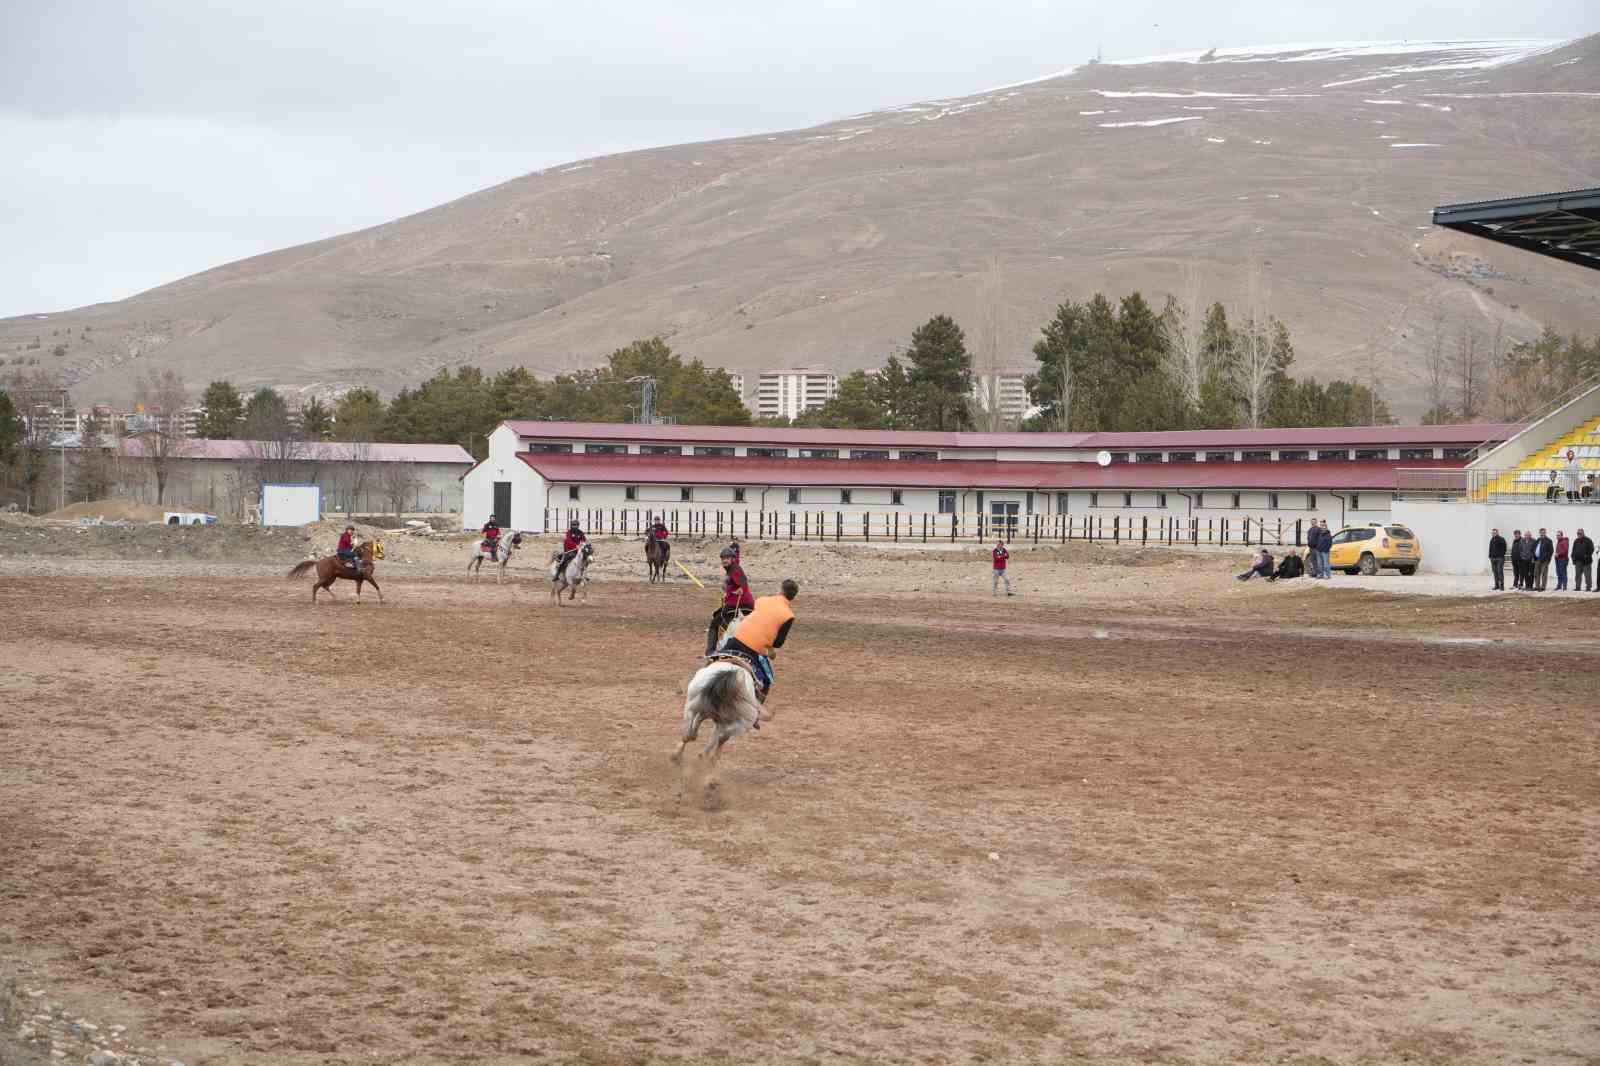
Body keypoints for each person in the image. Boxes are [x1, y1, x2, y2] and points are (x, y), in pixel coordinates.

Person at [718, 578, 800, 701]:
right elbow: (778, 643)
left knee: (716, 658)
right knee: (766, 681)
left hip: (736, 639)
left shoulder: (762, 600)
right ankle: (755, 709)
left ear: (781, 590)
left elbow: (755, 618)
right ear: (793, 597)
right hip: (754, 650)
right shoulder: (789, 616)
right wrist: (770, 646)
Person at [704, 546, 755, 657]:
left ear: (732, 559)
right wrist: (727, 593)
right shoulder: (732, 569)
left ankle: (710, 652)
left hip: (738, 605)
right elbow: (734, 584)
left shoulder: (734, 569)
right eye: (723, 558)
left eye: (727, 558)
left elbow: (743, 581)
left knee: (714, 625)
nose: (724, 560)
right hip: (747, 604)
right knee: (719, 617)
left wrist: (741, 588)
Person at [1573, 528, 1595, 592]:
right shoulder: (1576, 541)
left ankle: (1588, 587)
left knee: (1587, 575)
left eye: (1580, 533)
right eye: (1578, 533)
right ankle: (1577, 587)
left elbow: (1592, 549)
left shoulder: (1588, 540)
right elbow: (1573, 550)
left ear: (1583, 533)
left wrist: (1587, 556)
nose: (1579, 534)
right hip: (1578, 561)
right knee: (1577, 575)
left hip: (1586, 562)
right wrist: (1573, 558)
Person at [1533, 527, 1554, 591]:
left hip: (1544, 560)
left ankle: (1543, 587)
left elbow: (1551, 551)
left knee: (1544, 574)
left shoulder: (1549, 541)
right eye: (1541, 533)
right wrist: (1534, 556)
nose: (1542, 534)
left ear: (1545, 533)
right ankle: (1537, 586)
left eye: (1543, 532)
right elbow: (1534, 548)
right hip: (1537, 559)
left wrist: (1548, 559)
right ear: (1539, 533)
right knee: (1536, 574)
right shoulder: (1538, 540)